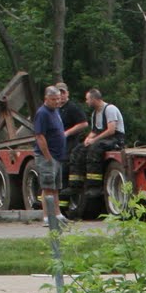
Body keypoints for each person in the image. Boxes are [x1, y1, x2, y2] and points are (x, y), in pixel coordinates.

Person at [66, 88, 125, 217]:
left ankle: (94, 186)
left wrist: (94, 140)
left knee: (94, 149)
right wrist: (88, 139)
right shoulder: (94, 113)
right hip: (100, 139)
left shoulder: (110, 109)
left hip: (114, 139)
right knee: (78, 150)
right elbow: (94, 130)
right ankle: (76, 183)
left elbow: (111, 130)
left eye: (87, 99)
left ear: (94, 99)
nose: (86, 102)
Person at [32, 85, 68, 227]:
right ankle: (47, 217)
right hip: (47, 156)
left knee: (55, 187)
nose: (57, 102)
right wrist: (47, 156)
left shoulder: (56, 111)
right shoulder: (42, 113)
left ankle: (57, 214)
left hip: (58, 156)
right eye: (53, 99)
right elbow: (40, 136)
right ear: (46, 98)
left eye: (58, 99)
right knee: (47, 187)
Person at [54, 82, 87, 218]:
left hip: (70, 145)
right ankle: (57, 209)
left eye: (63, 92)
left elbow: (84, 123)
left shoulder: (72, 108)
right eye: (58, 92)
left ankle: (64, 210)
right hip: (56, 147)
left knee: (65, 174)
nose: (61, 95)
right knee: (57, 177)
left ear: (67, 93)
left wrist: (67, 133)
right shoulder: (54, 109)